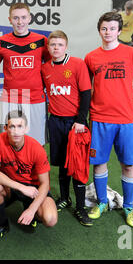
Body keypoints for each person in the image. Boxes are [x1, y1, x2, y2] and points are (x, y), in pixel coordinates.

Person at [85, 12, 133, 228]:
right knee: (99, 164)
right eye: (104, 28)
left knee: (128, 166)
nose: (108, 32)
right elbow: (85, 90)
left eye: (112, 28)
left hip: (126, 120)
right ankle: (102, 202)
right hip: (99, 119)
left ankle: (129, 206)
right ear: (99, 30)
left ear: (119, 30)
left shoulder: (131, 53)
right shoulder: (91, 57)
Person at [40, 30, 93, 226]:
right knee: (62, 164)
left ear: (66, 46)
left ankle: (80, 208)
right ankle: (65, 198)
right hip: (55, 121)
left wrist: (81, 120)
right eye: (53, 45)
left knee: (78, 166)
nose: (56, 48)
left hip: (75, 124)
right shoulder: (45, 68)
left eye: (60, 45)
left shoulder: (78, 64)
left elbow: (86, 94)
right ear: (48, 47)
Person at [0, 110, 58, 244]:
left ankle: (32, 211)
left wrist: (32, 209)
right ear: (5, 128)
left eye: (20, 126)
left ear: (26, 128)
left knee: (50, 218)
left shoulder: (37, 149)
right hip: (11, 186)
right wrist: (21, 187)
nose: (15, 131)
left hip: (34, 189)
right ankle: (2, 225)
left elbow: (45, 184)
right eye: (12, 126)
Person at [0, 2, 51, 146]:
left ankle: (37, 169)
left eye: (23, 17)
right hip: (10, 98)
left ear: (30, 18)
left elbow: (52, 72)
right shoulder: (2, 42)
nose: (20, 22)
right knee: (9, 142)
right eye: (16, 18)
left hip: (35, 98)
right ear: (9, 19)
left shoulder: (41, 41)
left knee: (36, 143)